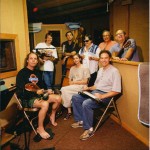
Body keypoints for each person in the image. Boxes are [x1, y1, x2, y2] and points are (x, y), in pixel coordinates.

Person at [71, 50, 121, 140]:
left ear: (109, 59)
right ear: (99, 59)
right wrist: (88, 88)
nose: (103, 60)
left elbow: (117, 91)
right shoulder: (100, 70)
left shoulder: (115, 71)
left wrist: (102, 96)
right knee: (75, 97)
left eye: (106, 58)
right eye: (101, 58)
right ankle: (82, 120)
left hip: (106, 95)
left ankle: (89, 129)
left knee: (86, 103)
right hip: (96, 92)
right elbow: (96, 86)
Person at [16, 52, 62, 139]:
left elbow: (42, 86)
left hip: (39, 96)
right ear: (27, 60)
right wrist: (35, 93)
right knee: (45, 104)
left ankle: (52, 115)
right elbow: (20, 91)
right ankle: (40, 128)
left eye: (35, 59)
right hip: (27, 98)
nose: (33, 60)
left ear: (37, 61)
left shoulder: (38, 72)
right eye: (31, 58)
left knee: (58, 98)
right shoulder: (22, 73)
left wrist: (47, 90)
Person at [61, 54, 90, 120]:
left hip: (82, 86)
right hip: (74, 86)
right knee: (65, 91)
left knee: (63, 89)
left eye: (77, 58)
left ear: (80, 59)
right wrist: (71, 83)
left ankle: (69, 109)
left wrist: (74, 82)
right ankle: (69, 111)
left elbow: (85, 82)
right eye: (74, 59)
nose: (75, 60)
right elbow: (70, 80)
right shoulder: (72, 68)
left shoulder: (85, 68)